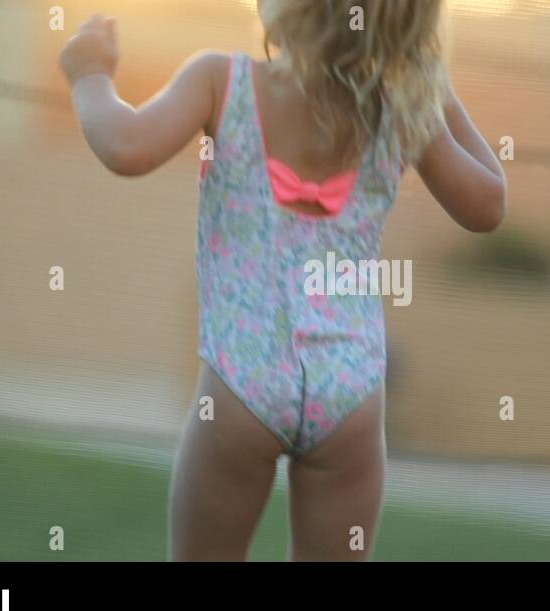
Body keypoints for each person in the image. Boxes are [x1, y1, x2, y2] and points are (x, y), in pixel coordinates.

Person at [58, 0, 506, 561]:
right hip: (350, 392)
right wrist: (429, 82)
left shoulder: (221, 81)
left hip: (241, 383)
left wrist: (91, 75)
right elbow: (488, 203)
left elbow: (125, 145)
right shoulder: (402, 110)